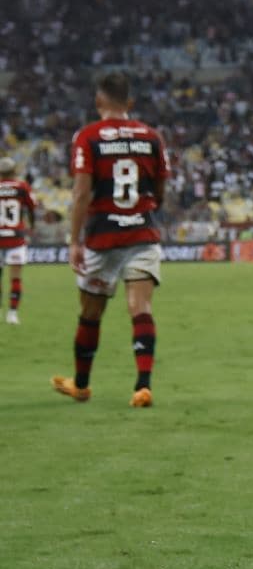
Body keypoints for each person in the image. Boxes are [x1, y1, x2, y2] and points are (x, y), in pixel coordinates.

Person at [51, 74, 168, 407]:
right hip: (142, 232)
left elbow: (82, 192)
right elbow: (160, 190)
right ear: (129, 103)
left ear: (98, 102)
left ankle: (83, 385)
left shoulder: (88, 137)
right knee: (140, 308)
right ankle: (142, 386)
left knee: (90, 312)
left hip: (103, 236)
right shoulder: (151, 137)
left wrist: (74, 240)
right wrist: (145, 210)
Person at [0, 157, 36, 324]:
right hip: (16, 237)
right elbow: (32, 208)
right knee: (15, 278)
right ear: (14, 171)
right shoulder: (22, 187)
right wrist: (32, 226)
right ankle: (12, 313)